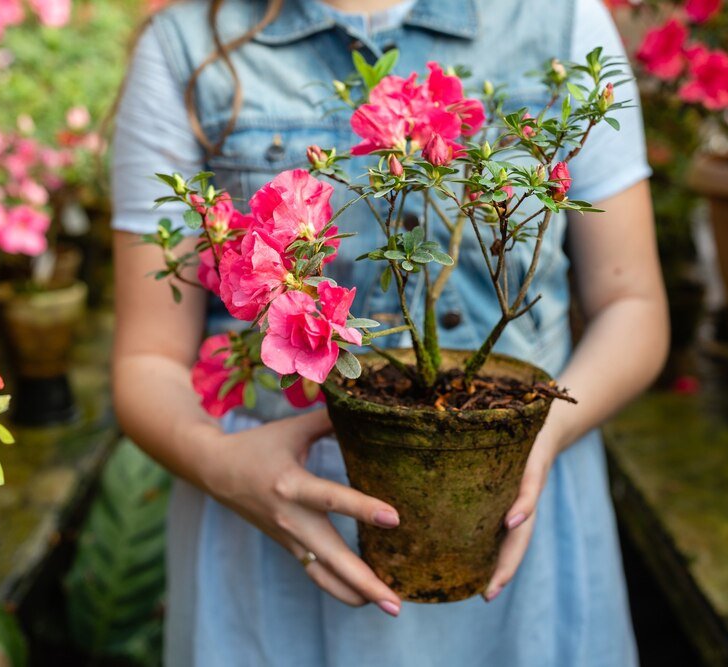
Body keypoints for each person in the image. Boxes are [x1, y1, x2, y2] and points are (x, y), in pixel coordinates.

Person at [110, 0, 668, 665]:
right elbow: (147, 358)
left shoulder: (559, 22)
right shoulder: (186, 48)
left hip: (519, 495)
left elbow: (633, 304)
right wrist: (222, 465)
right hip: (272, 519)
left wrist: (536, 436)